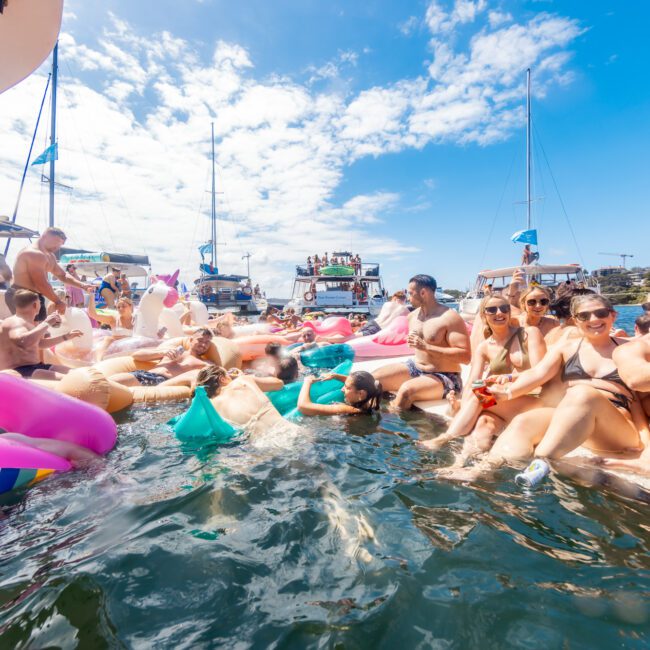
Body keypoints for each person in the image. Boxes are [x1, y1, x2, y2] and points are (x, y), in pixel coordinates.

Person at [485, 295, 649, 463]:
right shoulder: (566, 349)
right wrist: (508, 392)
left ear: (613, 315)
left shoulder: (631, 348)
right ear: (576, 321)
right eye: (584, 316)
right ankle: (486, 471)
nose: (593, 319)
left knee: (583, 394)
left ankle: (542, 460)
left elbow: (638, 392)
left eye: (600, 313)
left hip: (616, 427)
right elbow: (538, 373)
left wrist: (646, 443)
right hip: (571, 415)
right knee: (523, 422)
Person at [419, 294, 546, 455]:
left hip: (531, 400)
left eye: (504, 308)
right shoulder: (484, 347)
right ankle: (462, 466)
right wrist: (462, 405)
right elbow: (474, 380)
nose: (499, 313)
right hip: (502, 404)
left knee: (479, 394)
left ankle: (444, 438)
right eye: (492, 310)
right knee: (483, 425)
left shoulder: (529, 334)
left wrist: (508, 378)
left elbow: (540, 373)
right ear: (483, 315)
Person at [373, 274, 471, 410]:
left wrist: (426, 347)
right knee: (373, 379)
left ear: (423, 293)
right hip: (416, 367)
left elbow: (465, 357)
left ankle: (387, 425)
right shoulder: (412, 316)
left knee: (406, 392)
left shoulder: (450, 317)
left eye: (411, 293)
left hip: (446, 376)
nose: (408, 297)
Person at [5, 227, 93, 320]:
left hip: (35, 296)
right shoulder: (34, 253)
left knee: (40, 330)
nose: (57, 248)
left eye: (60, 245)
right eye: (56, 243)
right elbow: (40, 283)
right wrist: (58, 301)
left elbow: (62, 275)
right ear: (45, 236)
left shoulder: (50, 256)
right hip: (21, 295)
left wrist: (83, 285)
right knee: (29, 329)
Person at [0, 289, 82, 378]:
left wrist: (66, 337)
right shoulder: (15, 322)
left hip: (35, 366)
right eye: (40, 303)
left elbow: (39, 344)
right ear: (35, 305)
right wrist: (46, 323)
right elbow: (23, 341)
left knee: (77, 373)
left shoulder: (23, 322)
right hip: (21, 371)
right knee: (72, 379)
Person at [195, 366, 287, 437]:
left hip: (260, 445)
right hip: (285, 429)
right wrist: (242, 376)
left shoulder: (211, 405)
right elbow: (279, 383)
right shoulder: (243, 380)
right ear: (222, 379)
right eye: (228, 374)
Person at [110, 329, 215, 387]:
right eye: (200, 340)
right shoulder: (172, 349)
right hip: (145, 374)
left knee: (112, 383)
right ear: (191, 340)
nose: (203, 344)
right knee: (110, 381)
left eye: (207, 342)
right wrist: (162, 353)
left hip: (162, 382)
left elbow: (215, 373)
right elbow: (136, 355)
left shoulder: (205, 363)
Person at [297, 370, 383, 416]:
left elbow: (303, 406)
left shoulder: (348, 410)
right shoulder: (372, 397)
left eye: (346, 387)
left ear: (361, 394)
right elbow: (356, 383)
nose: (342, 389)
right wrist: (335, 376)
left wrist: (307, 381)